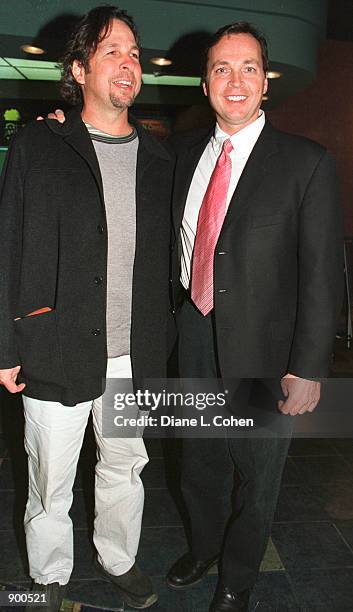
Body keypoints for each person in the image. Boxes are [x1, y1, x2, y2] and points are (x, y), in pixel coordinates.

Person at [0, 5, 174, 611]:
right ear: (78, 69)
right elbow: (8, 246)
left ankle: (119, 559)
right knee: (49, 480)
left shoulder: (160, 160)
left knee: (125, 468)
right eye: (110, 52)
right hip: (55, 346)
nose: (127, 63)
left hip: (133, 352)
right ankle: (49, 577)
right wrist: (6, 346)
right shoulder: (39, 145)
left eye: (133, 53)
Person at [166, 22, 343, 612]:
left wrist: (308, 367)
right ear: (205, 81)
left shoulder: (306, 162)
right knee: (199, 460)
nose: (235, 80)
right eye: (222, 68)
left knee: (257, 477)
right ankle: (206, 548)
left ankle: (237, 578)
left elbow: (322, 276)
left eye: (248, 68)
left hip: (267, 351)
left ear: (265, 81)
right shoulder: (180, 153)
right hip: (192, 330)